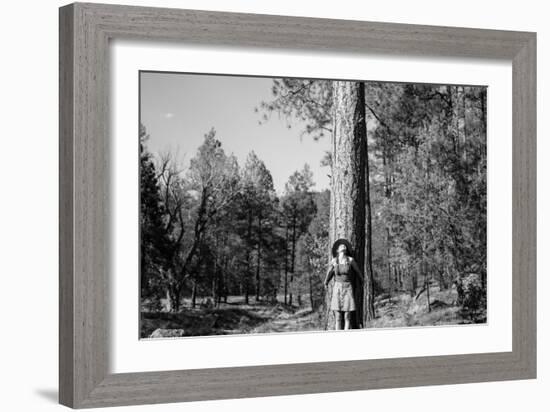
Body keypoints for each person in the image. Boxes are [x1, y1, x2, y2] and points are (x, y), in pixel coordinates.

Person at [324, 238, 364, 330]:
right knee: (338, 317)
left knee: (347, 315)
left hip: (348, 287)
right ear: (337, 250)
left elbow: (357, 271)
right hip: (337, 288)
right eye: (340, 247)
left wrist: (362, 280)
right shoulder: (334, 261)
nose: (343, 247)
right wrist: (326, 282)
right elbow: (329, 272)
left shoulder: (350, 260)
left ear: (346, 250)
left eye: (344, 246)